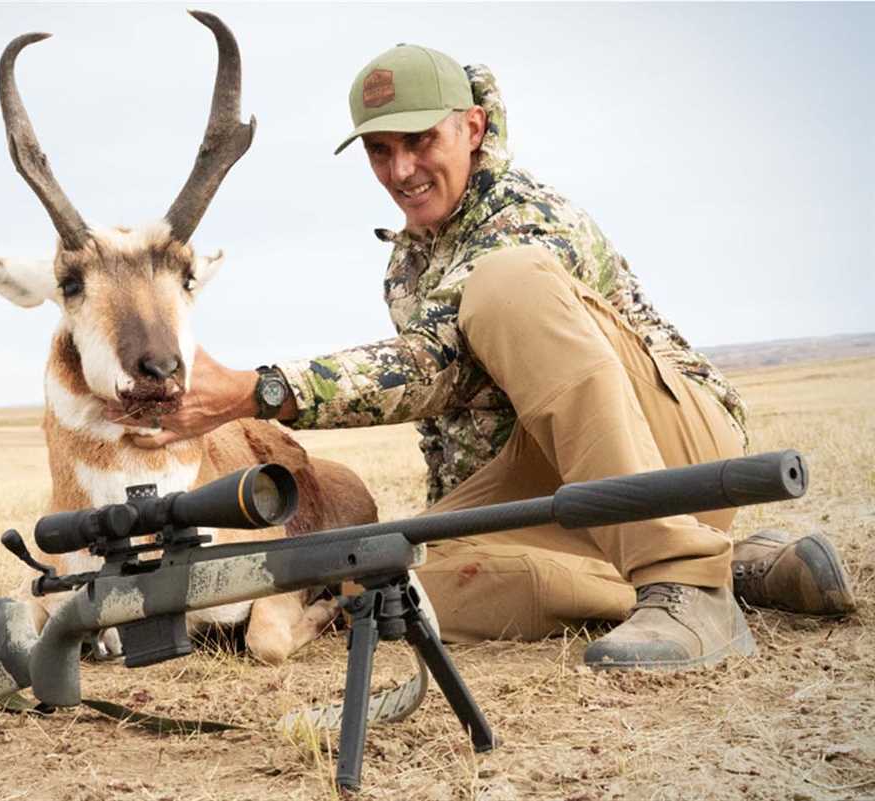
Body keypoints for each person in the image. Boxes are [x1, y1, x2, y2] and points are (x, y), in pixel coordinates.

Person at [117, 44, 855, 669]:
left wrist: (261, 389)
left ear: (472, 128)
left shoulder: (522, 217)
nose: (400, 169)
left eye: (420, 142)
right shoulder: (407, 264)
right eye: (380, 149)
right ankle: (733, 568)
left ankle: (685, 581)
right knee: (389, 580)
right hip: (557, 486)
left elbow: (441, 364)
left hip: (675, 450)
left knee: (508, 288)